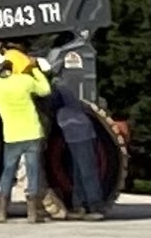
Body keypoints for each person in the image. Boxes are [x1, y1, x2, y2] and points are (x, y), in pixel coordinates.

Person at [0, 46, 53, 224]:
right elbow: (45, 90)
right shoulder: (24, 81)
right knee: (33, 171)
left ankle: (1, 212)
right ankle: (33, 213)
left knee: (8, 172)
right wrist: (33, 67)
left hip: (12, 136)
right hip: (33, 132)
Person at [46, 86, 111, 221]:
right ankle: (80, 205)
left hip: (80, 133)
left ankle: (95, 206)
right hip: (74, 133)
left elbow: (51, 104)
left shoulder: (57, 91)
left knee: (87, 170)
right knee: (77, 171)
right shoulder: (63, 90)